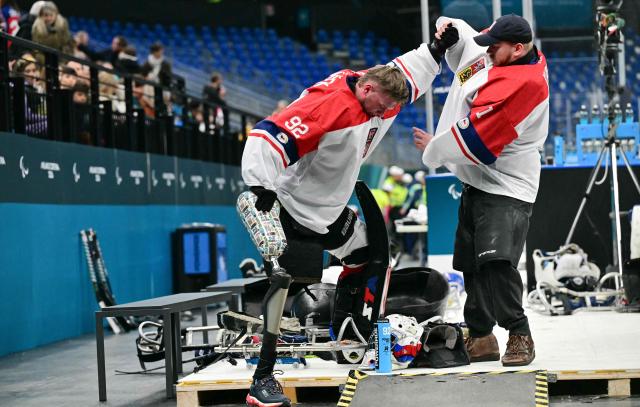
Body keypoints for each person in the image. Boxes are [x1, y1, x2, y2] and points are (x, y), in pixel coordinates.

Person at [240, 30, 458, 406]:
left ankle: (349, 330)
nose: (384, 113)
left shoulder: (382, 93)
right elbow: (267, 135)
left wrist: (436, 49)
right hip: (294, 209)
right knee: (284, 281)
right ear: (368, 88)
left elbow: (408, 72)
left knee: (371, 255)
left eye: (390, 107)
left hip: (331, 210)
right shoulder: (328, 107)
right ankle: (262, 378)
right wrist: (260, 189)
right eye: (381, 106)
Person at [413, 14, 549, 367]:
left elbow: (475, 142)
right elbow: (471, 51)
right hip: (478, 181)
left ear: (518, 49)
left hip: (507, 187)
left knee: (496, 263)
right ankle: (482, 337)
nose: (486, 52)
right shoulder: (503, 55)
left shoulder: (525, 86)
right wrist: (453, 33)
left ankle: (519, 334)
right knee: (470, 264)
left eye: (495, 47)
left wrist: (433, 149)